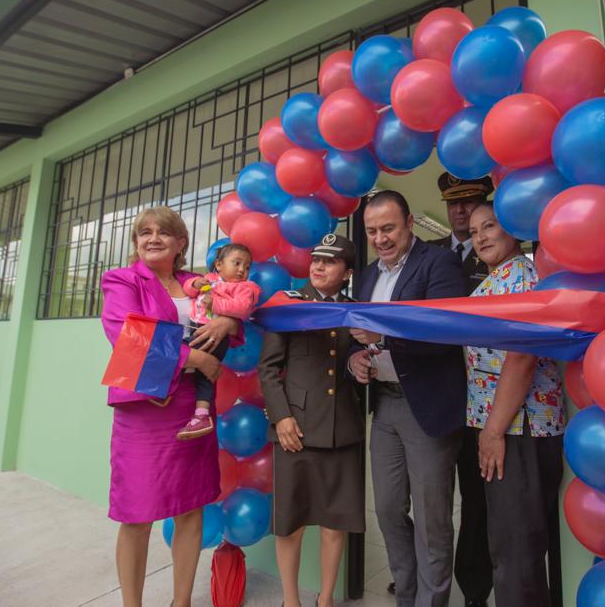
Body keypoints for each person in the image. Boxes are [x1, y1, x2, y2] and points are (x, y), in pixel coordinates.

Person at [100, 205, 239, 607]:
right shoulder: (122, 279)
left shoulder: (200, 283)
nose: (153, 238)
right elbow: (126, 334)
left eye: (163, 232)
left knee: (191, 508)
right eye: (144, 232)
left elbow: (237, 309)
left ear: (181, 243)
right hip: (144, 410)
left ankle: (182, 601)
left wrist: (228, 322)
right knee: (136, 515)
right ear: (136, 242)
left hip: (193, 408)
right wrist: (198, 359)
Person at [347, 190, 467, 607]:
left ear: (410, 223)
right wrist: (355, 358)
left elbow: (445, 332)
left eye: (388, 228)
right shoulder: (366, 276)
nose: (380, 238)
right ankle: (407, 594)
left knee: (432, 519)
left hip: (427, 407)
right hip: (384, 405)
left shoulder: (439, 262)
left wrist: (383, 337)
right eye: (372, 231)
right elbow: (356, 333)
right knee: (386, 509)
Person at [466, 203, 565, 605]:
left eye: (489, 226)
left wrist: (492, 432)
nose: (481, 237)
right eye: (475, 231)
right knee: (513, 546)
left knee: (516, 551)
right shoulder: (498, 278)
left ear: (512, 228)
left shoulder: (522, 276)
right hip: (507, 426)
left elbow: (521, 356)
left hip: (517, 429)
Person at [258, 233, 364, 607]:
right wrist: (281, 418)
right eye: (316, 259)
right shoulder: (289, 304)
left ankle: (326, 598)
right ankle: (291, 600)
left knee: (335, 523)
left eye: (330, 261)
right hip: (296, 430)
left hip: (341, 428)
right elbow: (269, 369)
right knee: (291, 523)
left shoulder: (357, 310)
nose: (319, 266)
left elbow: (360, 362)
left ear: (347, 272)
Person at [427, 172, 494, 607]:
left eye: (469, 201)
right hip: (434, 393)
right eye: (453, 203)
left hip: (480, 397)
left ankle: (474, 587)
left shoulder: (497, 256)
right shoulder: (428, 253)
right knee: (427, 496)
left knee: (475, 497)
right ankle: (427, 575)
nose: (460, 210)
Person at [180, 243, 261, 440]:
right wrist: (194, 284)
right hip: (198, 329)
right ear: (218, 265)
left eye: (247, 267)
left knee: (176, 353)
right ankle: (201, 415)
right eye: (237, 263)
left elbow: (242, 308)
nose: (242, 270)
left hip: (216, 336)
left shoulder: (244, 288)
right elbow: (188, 290)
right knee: (203, 375)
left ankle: (163, 390)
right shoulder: (209, 280)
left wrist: (216, 303)